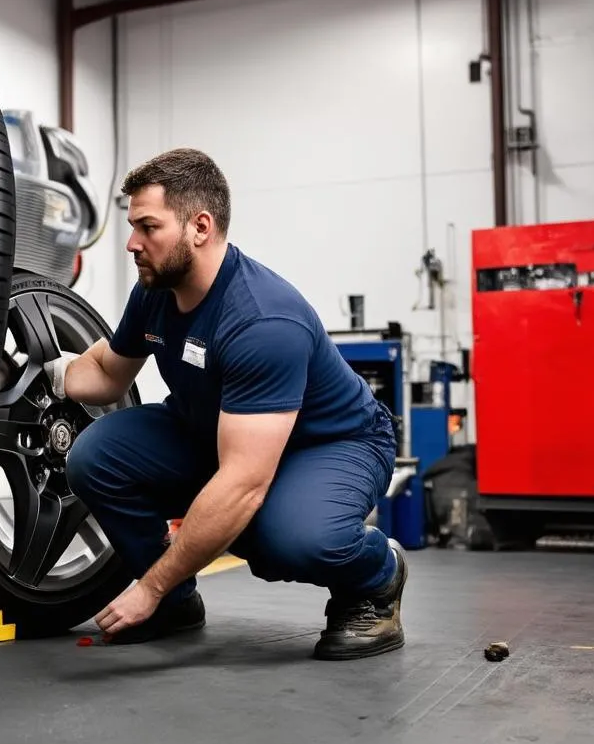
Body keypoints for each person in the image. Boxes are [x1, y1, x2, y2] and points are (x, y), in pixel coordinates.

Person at [47, 148, 406, 660]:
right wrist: (37, 371)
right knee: (94, 457)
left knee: (281, 538)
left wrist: (145, 587)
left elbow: (242, 485)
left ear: (200, 226)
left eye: (148, 227)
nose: (132, 244)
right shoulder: (156, 290)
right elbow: (106, 372)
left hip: (330, 445)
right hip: (216, 433)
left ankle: (377, 577)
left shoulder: (262, 321)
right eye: (133, 227)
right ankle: (175, 603)